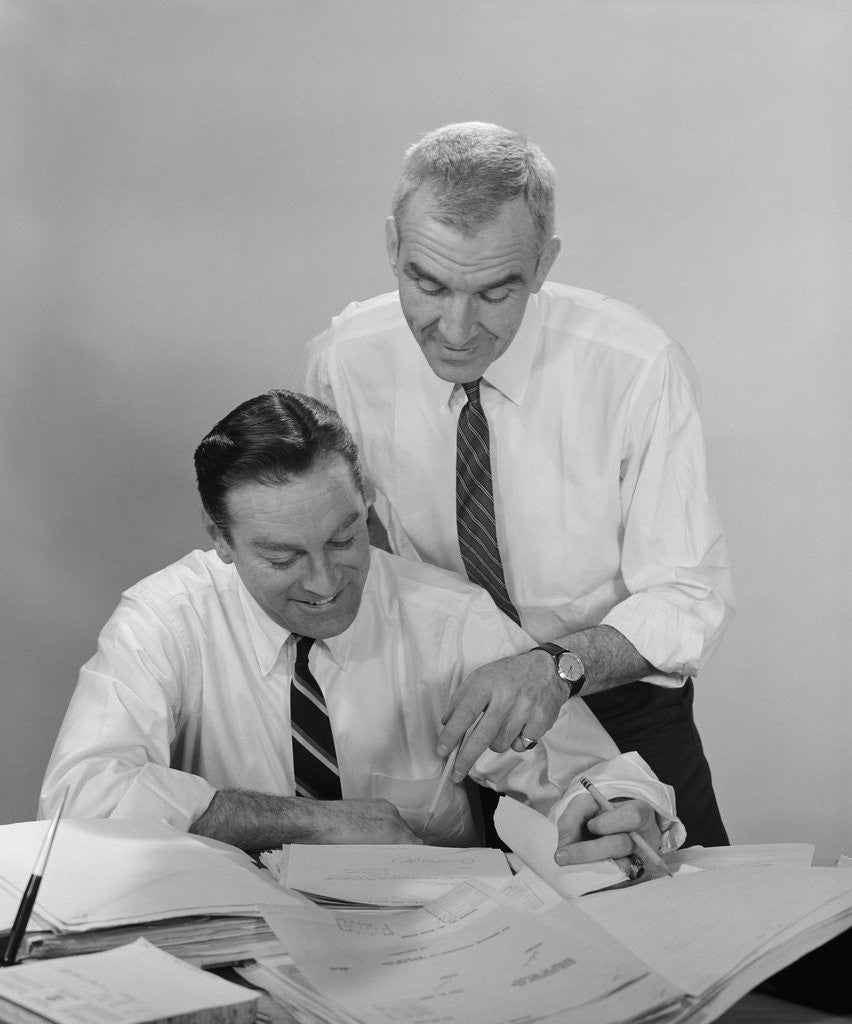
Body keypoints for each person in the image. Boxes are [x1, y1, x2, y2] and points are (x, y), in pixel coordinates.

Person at [303, 121, 735, 847]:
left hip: (614, 701)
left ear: (543, 263)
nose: (457, 328)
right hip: (445, 715)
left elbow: (687, 595)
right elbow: (358, 557)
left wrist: (554, 669)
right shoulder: (342, 362)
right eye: (428, 284)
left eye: (496, 292)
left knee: (692, 945)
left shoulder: (634, 366)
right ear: (392, 249)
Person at [40, 390, 684, 872]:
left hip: (437, 949)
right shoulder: (164, 621)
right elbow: (78, 797)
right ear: (222, 543)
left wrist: (617, 809)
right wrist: (313, 825)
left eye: (344, 539)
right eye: (283, 558)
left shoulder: (451, 620)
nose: (324, 583)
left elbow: (591, 775)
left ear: (364, 506)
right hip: (241, 947)